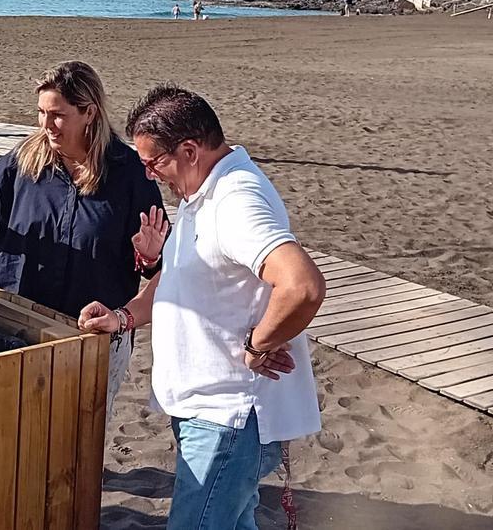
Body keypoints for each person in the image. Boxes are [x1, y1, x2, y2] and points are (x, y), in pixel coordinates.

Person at [78, 85, 325, 529]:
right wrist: (125, 316)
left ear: (190, 150)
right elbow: (179, 279)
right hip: (202, 411)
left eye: (154, 163)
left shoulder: (235, 200)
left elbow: (302, 285)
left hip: (227, 417)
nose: (151, 176)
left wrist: (258, 342)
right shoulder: (201, 192)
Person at [0, 61, 163, 417]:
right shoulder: (22, 160)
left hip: (89, 335)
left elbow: (158, 265)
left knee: (78, 442)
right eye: (41, 113)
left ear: (89, 112)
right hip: (13, 322)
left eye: (58, 115)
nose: (46, 125)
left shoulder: (130, 174)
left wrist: (151, 256)